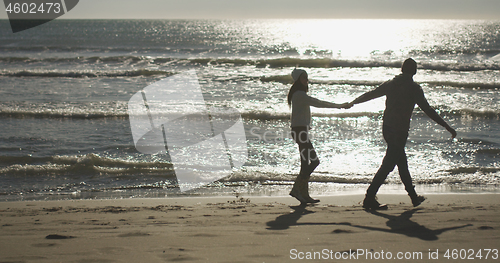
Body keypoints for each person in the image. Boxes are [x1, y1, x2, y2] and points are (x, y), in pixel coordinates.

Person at [348, 58, 457, 210]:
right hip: (399, 132)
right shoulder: (414, 88)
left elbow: (371, 94)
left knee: (401, 163)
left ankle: (413, 197)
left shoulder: (391, 83)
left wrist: (353, 102)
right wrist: (447, 126)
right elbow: (428, 110)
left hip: (387, 129)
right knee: (387, 166)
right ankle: (369, 198)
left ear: (401, 69)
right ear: (415, 71)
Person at [288, 68, 350, 205]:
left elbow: (302, 113)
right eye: (304, 78)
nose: (306, 80)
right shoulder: (299, 95)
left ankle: (303, 194)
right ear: (298, 80)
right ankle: (297, 188)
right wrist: (339, 106)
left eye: (307, 78)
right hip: (300, 132)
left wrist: (307, 124)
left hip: (300, 130)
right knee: (314, 161)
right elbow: (319, 103)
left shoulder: (298, 94)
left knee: (306, 164)